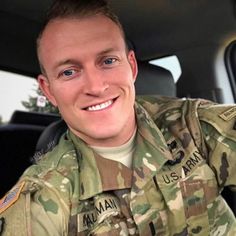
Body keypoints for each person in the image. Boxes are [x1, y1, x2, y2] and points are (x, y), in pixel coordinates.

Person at [0, 0, 236, 235]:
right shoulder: (44, 197)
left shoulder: (192, 124)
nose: (95, 86)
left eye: (108, 61)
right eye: (69, 72)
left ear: (132, 67)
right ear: (49, 90)